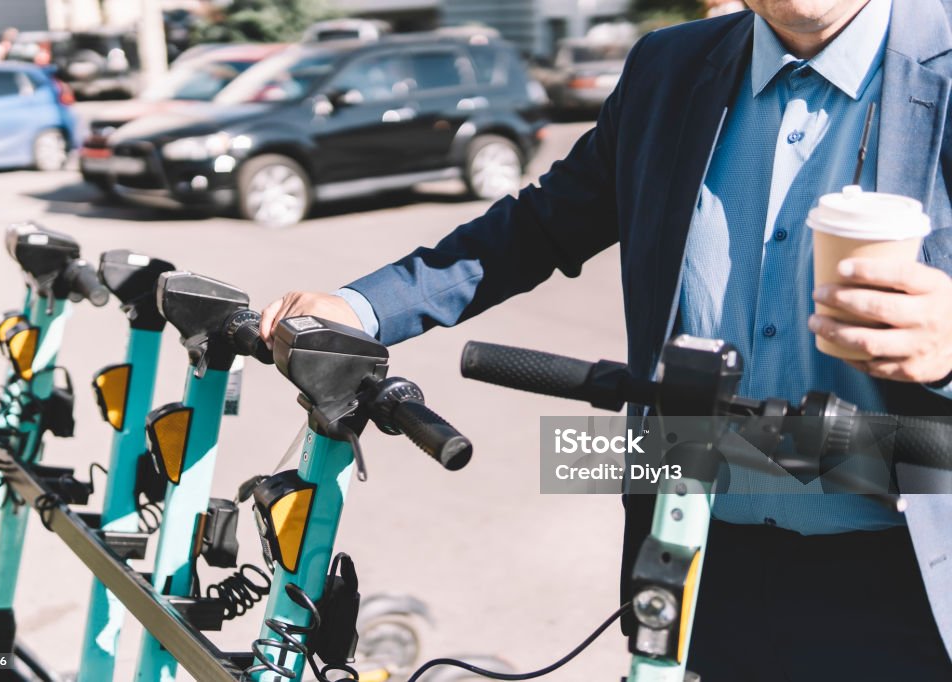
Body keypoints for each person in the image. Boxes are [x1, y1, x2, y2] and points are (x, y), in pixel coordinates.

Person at [260, 1, 952, 679]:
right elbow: (540, 224)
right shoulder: (670, 67)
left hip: (911, 573)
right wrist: (361, 309)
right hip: (696, 555)